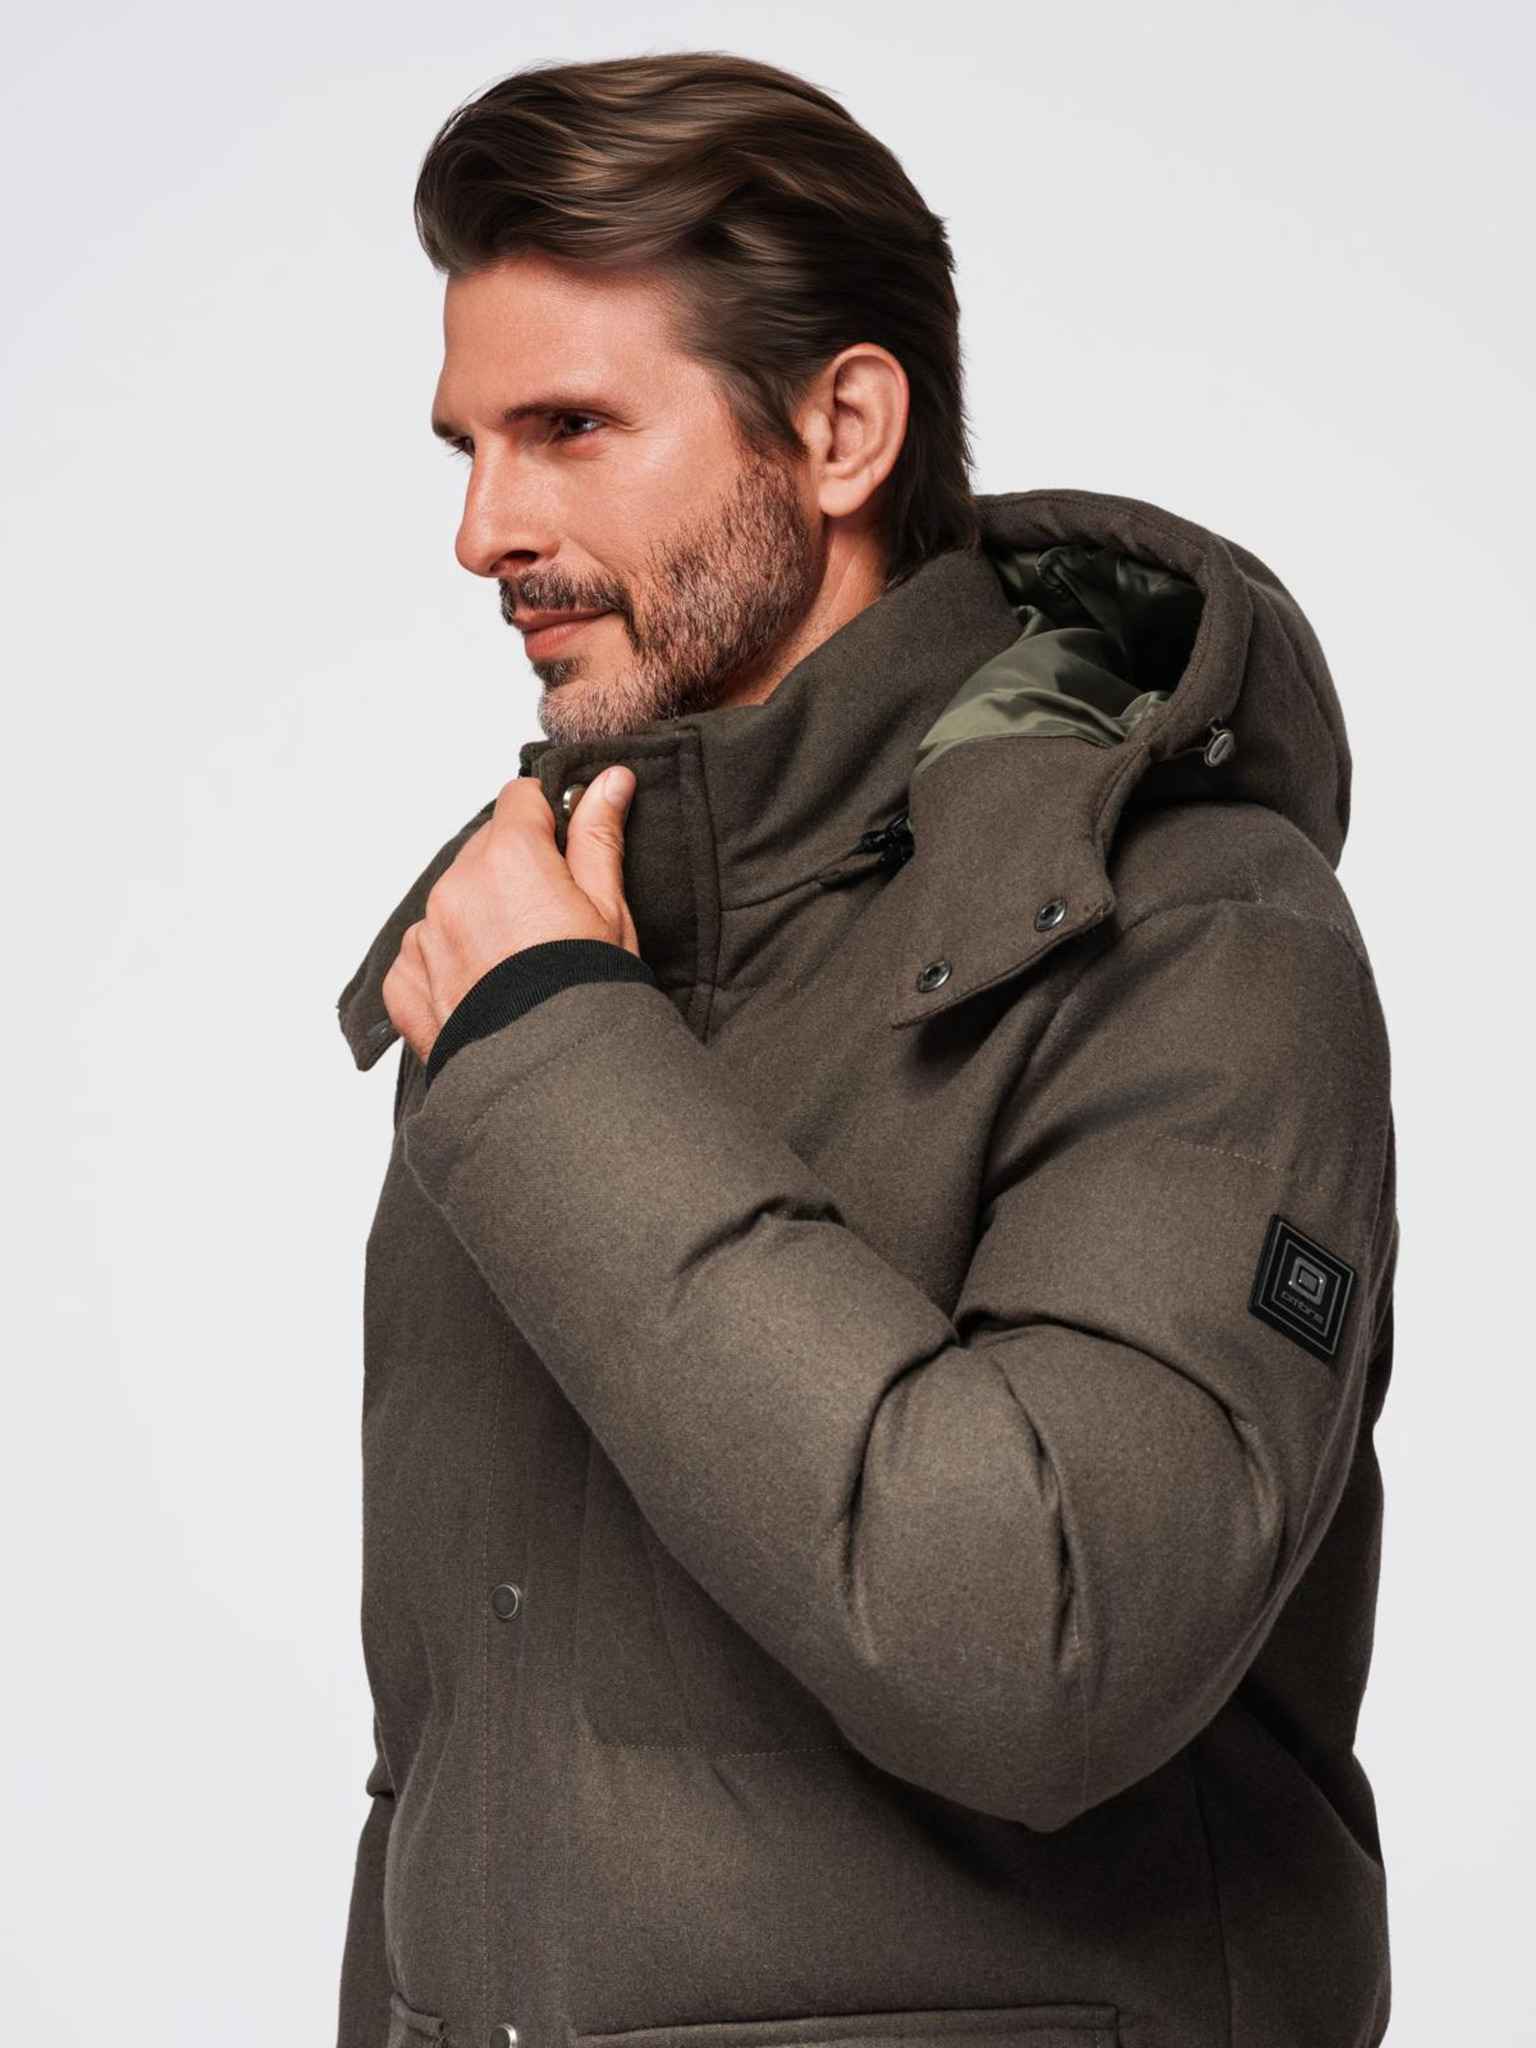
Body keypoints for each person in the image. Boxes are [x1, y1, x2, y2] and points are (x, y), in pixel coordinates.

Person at [335, 51, 1398, 2048]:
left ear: (839, 429)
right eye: (470, 443)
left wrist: (552, 1055)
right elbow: (451, 1768)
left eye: (570, 428)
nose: (485, 527)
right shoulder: (550, 955)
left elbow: (1049, 1640)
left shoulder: (1195, 935)